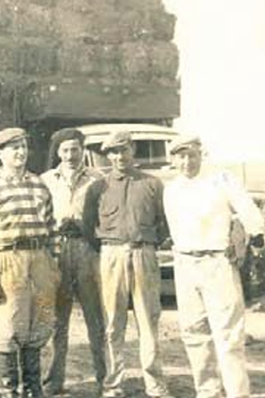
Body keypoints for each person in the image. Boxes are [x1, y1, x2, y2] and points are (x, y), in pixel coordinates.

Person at [163, 135, 265, 398]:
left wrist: (253, 232)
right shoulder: (171, 188)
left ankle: (237, 394)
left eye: (192, 155)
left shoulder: (220, 180)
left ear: (201, 155)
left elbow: (246, 207)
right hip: (185, 263)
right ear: (173, 159)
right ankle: (207, 391)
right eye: (181, 156)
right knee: (193, 333)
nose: (187, 162)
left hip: (217, 262)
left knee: (228, 335)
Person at [82, 130, 173, 398]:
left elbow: (163, 224)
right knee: (112, 322)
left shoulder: (152, 184)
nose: (118, 156)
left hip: (144, 253)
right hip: (111, 254)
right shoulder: (98, 187)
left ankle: (155, 384)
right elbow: (89, 227)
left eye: (123, 150)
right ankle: (113, 383)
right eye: (112, 152)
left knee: (148, 319)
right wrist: (110, 248)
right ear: (107, 155)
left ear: (132, 150)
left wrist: (145, 244)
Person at [0, 127, 59, 398]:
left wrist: (53, 265)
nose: (20, 152)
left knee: (37, 325)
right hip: (7, 261)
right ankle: (10, 391)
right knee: (6, 327)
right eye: (13, 148)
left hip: (39, 260)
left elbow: (51, 228)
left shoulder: (38, 184)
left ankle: (33, 390)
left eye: (23, 146)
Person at [39, 128, 106, 396]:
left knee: (96, 319)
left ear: (83, 150)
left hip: (87, 250)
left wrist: (89, 229)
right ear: (58, 152)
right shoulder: (45, 180)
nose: (70, 155)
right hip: (57, 250)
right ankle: (54, 381)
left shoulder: (98, 179)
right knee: (58, 320)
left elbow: (105, 215)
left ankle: (105, 379)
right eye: (65, 150)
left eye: (75, 149)